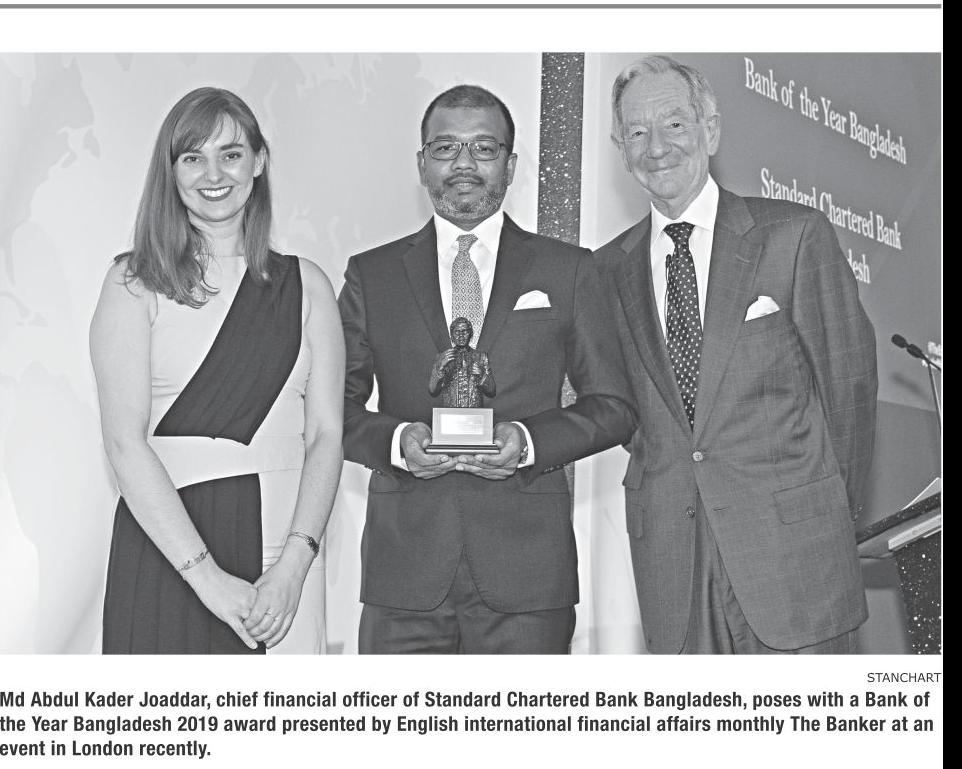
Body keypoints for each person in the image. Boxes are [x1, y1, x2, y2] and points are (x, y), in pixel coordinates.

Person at [594, 56, 878, 654]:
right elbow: (621, 411)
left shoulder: (793, 236)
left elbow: (847, 389)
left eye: (675, 124)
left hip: (795, 559)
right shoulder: (605, 271)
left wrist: (824, 511)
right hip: (673, 563)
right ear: (620, 149)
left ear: (711, 130)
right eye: (637, 132)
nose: (656, 147)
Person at [339, 84, 635, 654]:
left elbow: (614, 406)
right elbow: (333, 411)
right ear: (422, 163)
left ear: (511, 164)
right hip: (404, 575)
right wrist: (398, 442)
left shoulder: (570, 270)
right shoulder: (372, 275)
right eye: (446, 148)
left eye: (483, 148)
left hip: (528, 574)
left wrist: (527, 442)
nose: (464, 164)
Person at [89, 87, 344, 654]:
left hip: (285, 555)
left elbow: (326, 435)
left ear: (259, 161)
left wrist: (295, 563)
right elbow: (123, 442)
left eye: (230, 154)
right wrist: (207, 579)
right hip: (170, 549)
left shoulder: (308, 286)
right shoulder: (133, 283)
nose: (214, 174)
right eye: (193, 157)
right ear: (171, 171)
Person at [428, 317, 495, 409]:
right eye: (457, 332)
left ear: (470, 334)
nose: (461, 335)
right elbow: (433, 391)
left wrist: (483, 375)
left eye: (465, 331)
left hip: (475, 413)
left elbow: (492, 392)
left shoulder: (481, 357)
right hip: (450, 413)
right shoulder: (442, 357)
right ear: (452, 336)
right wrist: (440, 368)